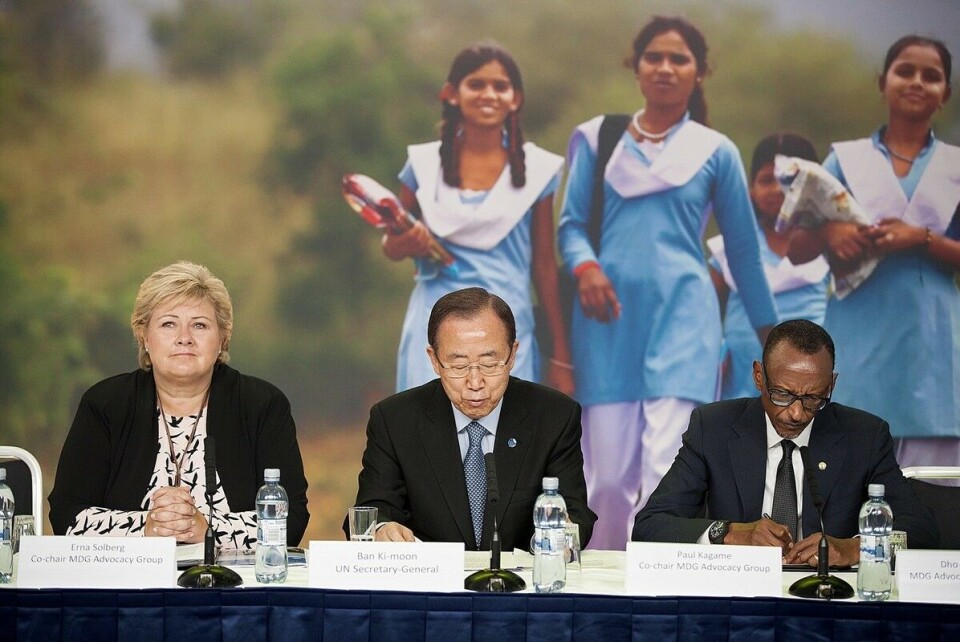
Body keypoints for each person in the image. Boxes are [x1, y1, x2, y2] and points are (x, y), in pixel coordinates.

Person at [557, 16, 778, 549]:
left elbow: (744, 255)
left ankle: (658, 588)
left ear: (699, 73)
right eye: (654, 56)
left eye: (679, 59)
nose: (665, 67)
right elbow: (570, 227)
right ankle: (602, 586)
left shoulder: (715, 150)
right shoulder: (598, 138)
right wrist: (586, 267)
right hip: (607, 325)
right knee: (606, 482)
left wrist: (776, 339)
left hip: (685, 322)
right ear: (635, 67)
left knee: (664, 471)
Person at [633, 319, 939, 565]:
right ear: (759, 376)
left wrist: (855, 548)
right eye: (782, 394)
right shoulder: (713, 427)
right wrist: (731, 533)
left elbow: (922, 530)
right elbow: (650, 525)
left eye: (813, 398)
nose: (796, 413)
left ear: (831, 385)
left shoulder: (864, 436)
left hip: (826, 597)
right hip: (740, 593)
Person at [49, 261, 309, 548]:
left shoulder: (262, 405)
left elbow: (291, 519)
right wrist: (149, 527)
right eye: (168, 324)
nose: (184, 338)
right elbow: (67, 516)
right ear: (144, 336)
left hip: (232, 575)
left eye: (199, 325)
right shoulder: (106, 404)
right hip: (131, 574)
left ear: (222, 338)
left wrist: (206, 530)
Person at [789, 36, 960, 470]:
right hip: (859, 339)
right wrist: (829, 230)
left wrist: (921, 238)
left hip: (933, 347)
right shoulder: (845, 160)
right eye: (905, 71)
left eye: (931, 76)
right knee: (847, 480)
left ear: (946, 93)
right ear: (883, 82)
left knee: (932, 489)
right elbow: (796, 248)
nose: (917, 82)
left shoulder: (955, 167)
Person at [384, 43, 573, 396]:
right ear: (451, 93)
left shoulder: (537, 170)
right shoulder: (424, 164)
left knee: (504, 426)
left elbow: (545, 266)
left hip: (507, 322)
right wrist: (407, 243)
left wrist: (561, 354)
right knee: (429, 425)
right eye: (476, 84)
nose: (489, 94)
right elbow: (392, 244)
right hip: (434, 323)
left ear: (516, 98)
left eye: (500, 86)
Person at [346, 287, 596, 551]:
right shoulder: (395, 421)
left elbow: (575, 513)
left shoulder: (554, 416)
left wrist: (557, 538)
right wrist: (382, 529)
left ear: (512, 355)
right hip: (432, 576)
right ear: (434, 360)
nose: (475, 383)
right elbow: (373, 509)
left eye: (489, 364)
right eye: (458, 365)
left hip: (522, 575)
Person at [708, 133, 829, 400]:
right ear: (750, 190)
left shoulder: (827, 244)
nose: (777, 189)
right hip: (740, 380)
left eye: (790, 180)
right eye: (766, 180)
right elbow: (706, 310)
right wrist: (716, 352)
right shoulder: (727, 249)